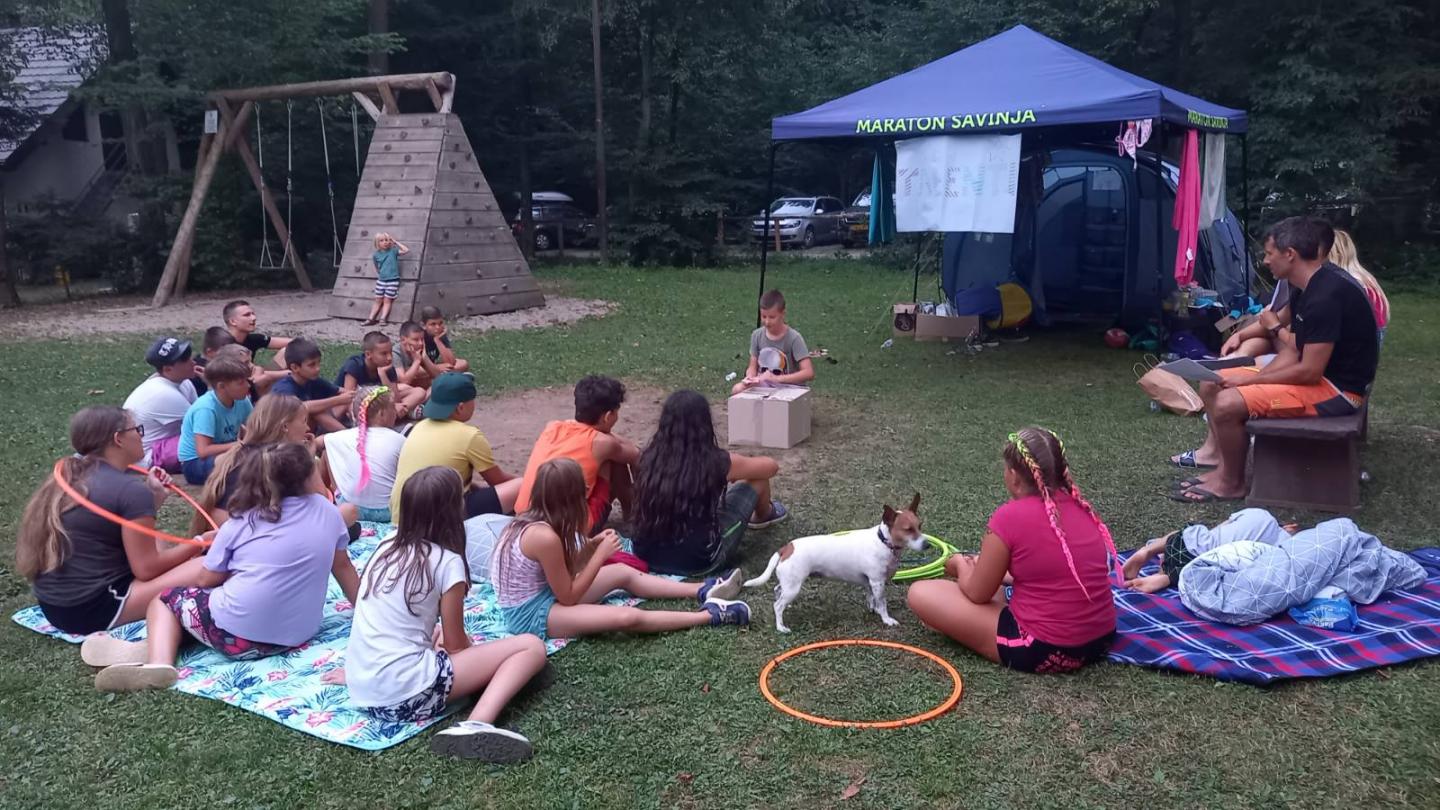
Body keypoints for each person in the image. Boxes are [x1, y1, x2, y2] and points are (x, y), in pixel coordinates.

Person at [87, 442, 362, 691]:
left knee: (166, 599)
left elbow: (206, 579)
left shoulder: (240, 523)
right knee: (208, 608)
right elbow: (344, 568)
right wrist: (365, 611)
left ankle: (159, 661)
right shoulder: (328, 512)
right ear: (305, 478)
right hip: (298, 633)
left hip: (237, 639)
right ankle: (153, 645)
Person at [333, 466, 547, 762]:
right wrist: (478, 659)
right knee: (530, 646)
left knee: (437, 634)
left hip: (364, 688)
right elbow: (458, 646)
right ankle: (478, 722)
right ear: (453, 511)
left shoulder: (385, 545)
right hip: (407, 693)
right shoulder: (447, 562)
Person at [1170, 217, 1379, 503]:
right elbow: (1292, 350)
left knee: (1229, 402)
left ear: (1289, 254)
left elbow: (1308, 371)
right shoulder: (1304, 284)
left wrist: (1252, 380)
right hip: (1316, 375)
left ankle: (1232, 483)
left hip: (1338, 391)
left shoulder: (1326, 296)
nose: (1265, 261)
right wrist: (1245, 374)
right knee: (1213, 383)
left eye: (1269, 253)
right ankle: (1223, 467)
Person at [906, 427, 1118, 674]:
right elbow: (1051, 570)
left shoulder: (1009, 517)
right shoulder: (1082, 507)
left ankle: (962, 621)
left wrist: (958, 565)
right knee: (988, 580)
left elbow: (977, 593)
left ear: (1015, 477)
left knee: (921, 592)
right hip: (1101, 640)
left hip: (1044, 648)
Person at [491, 458, 750, 640]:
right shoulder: (543, 536)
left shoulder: (534, 520)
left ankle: (702, 590)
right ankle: (711, 615)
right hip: (531, 615)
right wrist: (600, 557)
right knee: (626, 617)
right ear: (570, 499)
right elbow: (568, 596)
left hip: (547, 596)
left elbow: (564, 572)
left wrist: (591, 548)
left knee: (621, 573)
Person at [16, 406, 206, 636]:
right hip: (95, 608)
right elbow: (146, 569)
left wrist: (153, 500)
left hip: (56, 607)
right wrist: (200, 542)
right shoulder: (129, 489)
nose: (141, 435)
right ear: (118, 439)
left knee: (156, 542)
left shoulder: (72, 477)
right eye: (137, 429)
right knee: (207, 566)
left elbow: (112, 531)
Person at [631, 389, 789, 576]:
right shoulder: (715, 461)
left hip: (645, 555)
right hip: (699, 561)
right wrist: (734, 470)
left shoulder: (648, 457)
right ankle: (765, 515)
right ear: (704, 424)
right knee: (758, 481)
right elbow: (770, 467)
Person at [513, 376, 640, 534]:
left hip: (524, 520)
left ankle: (629, 511)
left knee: (612, 453)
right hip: (566, 531)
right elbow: (635, 454)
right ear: (608, 416)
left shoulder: (552, 427)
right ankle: (630, 512)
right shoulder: (603, 444)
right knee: (615, 459)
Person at [392, 372, 521, 522]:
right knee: (521, 485)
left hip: (401, 517)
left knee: (477, 486)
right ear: (460, 407)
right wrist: (530, 480)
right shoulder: (469, 435)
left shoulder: (419, 427)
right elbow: (497, 481)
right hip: (437, 521)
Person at [188, 393, 314, 535]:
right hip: (244, 539)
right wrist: (309, 458)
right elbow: (318, 504)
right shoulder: (275, 463)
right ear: (285, 426)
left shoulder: (239, 454)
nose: (307, 428)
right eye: (304, 421)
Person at [320, 386, 407, 523]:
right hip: (387, 511)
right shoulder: (399, 440)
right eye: (392, 407)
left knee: (328, 451)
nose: (396, 411)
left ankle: (327, 497)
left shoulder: (341, 437)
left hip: (351, 509)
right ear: (382, 414)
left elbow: (318, 442)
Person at [177, 353, 255, 485]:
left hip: (227, 454)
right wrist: (240, 445)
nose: (248, 386)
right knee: (242, 462)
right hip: (195, 464)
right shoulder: (206, 409)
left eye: (247, 380)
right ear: (221, 386)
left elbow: (254, 427)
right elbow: (203, 451)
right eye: (241, 383)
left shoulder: (242, 401)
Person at [123, 336, 198, 472]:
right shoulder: (163, 393)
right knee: (209, 443)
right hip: (147, 457)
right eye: (186, 361)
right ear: (168, 369)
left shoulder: (183, 382)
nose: (193, 363)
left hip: (165, 445)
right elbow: (209, 424)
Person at [731, 289, 815, 395]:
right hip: (764, 384)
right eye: (763, 316)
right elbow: (753, 365)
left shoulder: (794, 338)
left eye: (772, 317)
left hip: (790, 386)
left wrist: (777, 378)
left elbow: (808, 372)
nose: (767, 321)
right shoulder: (757, 335)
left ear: (782, 314)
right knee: (737, 389)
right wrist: (750, 377)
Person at [335, 331, 427, 419]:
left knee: (419, 392)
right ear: (368, 354)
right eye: (384, 354)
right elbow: (349, 398)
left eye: (390, 352)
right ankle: (394, 416)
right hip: (355, 404)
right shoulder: (354, 365)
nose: (389, 357)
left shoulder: (387, 366)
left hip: (379, 402)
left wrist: (383, 375)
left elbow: (396, 399)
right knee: (350, 407)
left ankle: (389, 416)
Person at [269, 337, 352, 434]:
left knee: (346, 401)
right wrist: (338, 400)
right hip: (284, 435)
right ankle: (350, 436)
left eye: (318, 363)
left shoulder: (312, 380)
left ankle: (360, 429)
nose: (318, 368)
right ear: (295, 367)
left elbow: (341, 391)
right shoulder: (283, 388)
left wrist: (353, 396)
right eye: (312, 365)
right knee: (315, 411)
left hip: (310, 428)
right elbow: (300, 407)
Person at [362, 232, 409, 326]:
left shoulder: (393, 251)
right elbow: (376, 267)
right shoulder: (376, 255)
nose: (385, 242)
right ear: (377, 243)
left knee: (387, 300)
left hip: (392, 281)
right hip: (381, 281)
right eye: (382, 240)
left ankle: (383, 319)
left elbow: (406, 250)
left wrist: (395, 242)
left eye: (387, 240)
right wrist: (380, 274)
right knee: (378, 300)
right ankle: (371, 318)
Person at [391, 321, 446, 390]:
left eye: (422, 339)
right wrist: (417, 361)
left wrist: (424, 357)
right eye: (415, 340)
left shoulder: (419, 349)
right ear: (403, 340)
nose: (420, 343)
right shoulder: (395, 353)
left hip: (415, 385)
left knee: (440, 383)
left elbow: (438, 376)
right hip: (396, 387)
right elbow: (404, 381)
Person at [420, 305, 470, 373]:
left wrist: (438, 340)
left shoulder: (440, 334)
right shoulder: (419, 336)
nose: (437, 327)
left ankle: (438, 376)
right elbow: (417, 364)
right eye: (433, 324)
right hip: (419, 368)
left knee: (463, 364)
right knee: (421, 372)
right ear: (423, 325)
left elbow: (451, 362)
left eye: (440, 323)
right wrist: (436, 368)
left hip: (432, 366)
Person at [191, 326, 238, 397]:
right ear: (209, 352)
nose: (230, 355)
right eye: (225, 352)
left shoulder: (219, 365)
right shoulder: (198, 373)